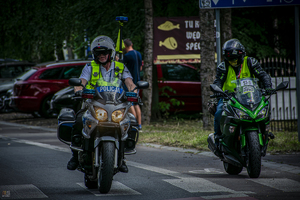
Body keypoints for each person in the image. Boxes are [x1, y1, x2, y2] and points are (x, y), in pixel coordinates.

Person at [67, 35, 136, 173]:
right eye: (98, 53)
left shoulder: (120, 67)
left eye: (104, 53)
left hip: (115, 104)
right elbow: (81, 82)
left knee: (130, 122)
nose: (101, 56)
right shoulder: (90, 67)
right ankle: (75, 155)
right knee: (80, 119)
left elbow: (129, 82)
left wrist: (134, 91)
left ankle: (121, 157)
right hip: (92, 103)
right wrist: (79, 90)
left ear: (111, 53)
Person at [212, 39, 272, 146]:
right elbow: (218, 81)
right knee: (219, 112)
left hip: (250, 95)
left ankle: (265, 132)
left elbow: (263, 75)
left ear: (242, 55)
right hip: (228, 97)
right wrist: (217, 90)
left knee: (265, 108)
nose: (234, 62)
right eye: (231, 60)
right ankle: (218, 137)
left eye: (236, 59)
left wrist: (268, 87)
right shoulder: (223, 66)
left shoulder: (250, 62)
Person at [122, 38, 143, 131]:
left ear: (125, 46)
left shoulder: (127, 56)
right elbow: (141, 68)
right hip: (137, 82)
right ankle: (139, 124)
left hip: (129, 83)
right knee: (136, 103)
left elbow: (121, 68)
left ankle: (133, 123)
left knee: (129, 102)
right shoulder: (138, 54)